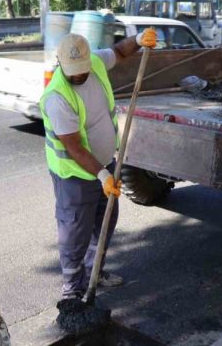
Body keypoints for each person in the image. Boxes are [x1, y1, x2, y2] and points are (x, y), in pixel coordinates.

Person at [40, 28, 157, 300]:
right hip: (75, 175)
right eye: (73, 70)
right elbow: (75, 148)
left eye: (83, 68)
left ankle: (95, 273)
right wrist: (103, 175)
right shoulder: (57, 97)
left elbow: (118, 52)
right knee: (74, 232)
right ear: (60, 64)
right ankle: (72, 289)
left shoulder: (93, 61)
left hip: (105, 164)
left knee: (104, 223)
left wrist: (138, 41)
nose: (79, 74)